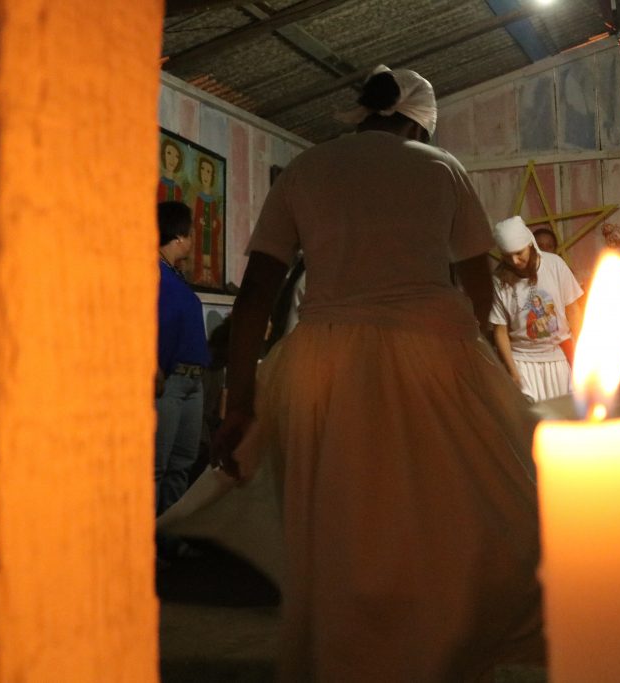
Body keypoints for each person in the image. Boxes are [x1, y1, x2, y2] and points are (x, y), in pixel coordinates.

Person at [211, 65, 542, 682]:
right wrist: (456, 350)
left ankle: (346, 661)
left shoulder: (308, 168)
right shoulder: (442, 169)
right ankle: (439, 654)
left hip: (323, 365)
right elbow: (476, 285)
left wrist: (239, 400)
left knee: (339, 527)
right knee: (445, 515)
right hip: (432, 359)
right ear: (421, 121)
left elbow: (256, 292)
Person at [155, 201, 210, 525]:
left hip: (193, 381)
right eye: (190, 233)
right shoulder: (150, 272)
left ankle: (169, 537)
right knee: (157, 467)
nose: (192, 241)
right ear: (179, 235)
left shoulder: (175, 276)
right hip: (170, 381)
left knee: (181, 464)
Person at [490, 216, 583, 400]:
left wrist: (582, 357)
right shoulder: (499, 280)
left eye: (519, 253)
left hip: (558, 357)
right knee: (531, 422)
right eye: (508, 256)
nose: (515, 261)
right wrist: (513, 372)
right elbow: (500, 331)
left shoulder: (554, 264)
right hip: (522, 361)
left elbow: (574, 312)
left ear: (530, 245)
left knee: (562, 420)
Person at [191, 156, 223, 288]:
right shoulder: (199, 198)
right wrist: (200, 222)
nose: (205, 174)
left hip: (211, 239)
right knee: (201, 256)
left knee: (211, 258)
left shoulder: (214, 201)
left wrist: (216, 224)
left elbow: (217, 221)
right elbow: (195, 219)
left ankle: (211, 277)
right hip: (201, 236)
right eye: (203, 170)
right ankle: (200, 275)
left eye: (208, 171)